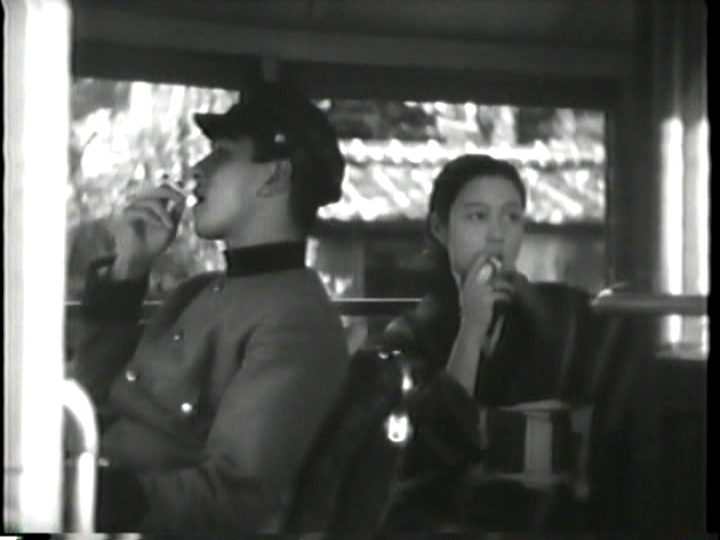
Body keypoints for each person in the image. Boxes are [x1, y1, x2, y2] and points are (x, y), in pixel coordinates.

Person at [68, 80, 351, 534]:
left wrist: (81, 497)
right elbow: (94, 395)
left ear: (274, 176)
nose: (197, 170)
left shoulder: (297, 322)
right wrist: (129, 269)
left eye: (222, 153)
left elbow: (232, 499)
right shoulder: (195, 292)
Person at [380, 155, 616, 532]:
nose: (497, 234)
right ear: (440, 228)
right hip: (452, 520)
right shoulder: (412, 333)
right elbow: (428, 452)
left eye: (512, 217)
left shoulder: (567, 314)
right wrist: (471, 328)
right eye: (477, 217)